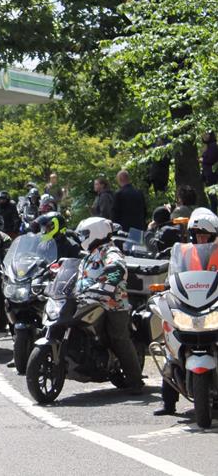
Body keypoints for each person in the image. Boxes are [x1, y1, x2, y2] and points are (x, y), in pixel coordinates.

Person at [154, 208, 218, 416]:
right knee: (170, 348)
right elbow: (173, 274)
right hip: (188, 303)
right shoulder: (182, 252)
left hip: (212, 304)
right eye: (198, 234)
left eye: (206, 235)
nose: (201, 238)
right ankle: (168, 402)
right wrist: (166, 287)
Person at [74, 217, 143, 393]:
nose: (82, 238)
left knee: (118, 338)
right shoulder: (90, 254)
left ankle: (135, 381)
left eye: (84, 234)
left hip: (112, 304)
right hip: (88, 301)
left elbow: (117, 267)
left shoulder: (110, 251)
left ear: (96, 233)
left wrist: (109, 283)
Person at [202, 132, 218, 212]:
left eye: (207, 134)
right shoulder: (208, 146)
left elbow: (211, 159)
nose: (204, 135)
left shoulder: (213, 146)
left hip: (213, 176)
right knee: (212, 198)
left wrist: (203, 158)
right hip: (208, 175)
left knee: (213, 198)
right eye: (204, 134)